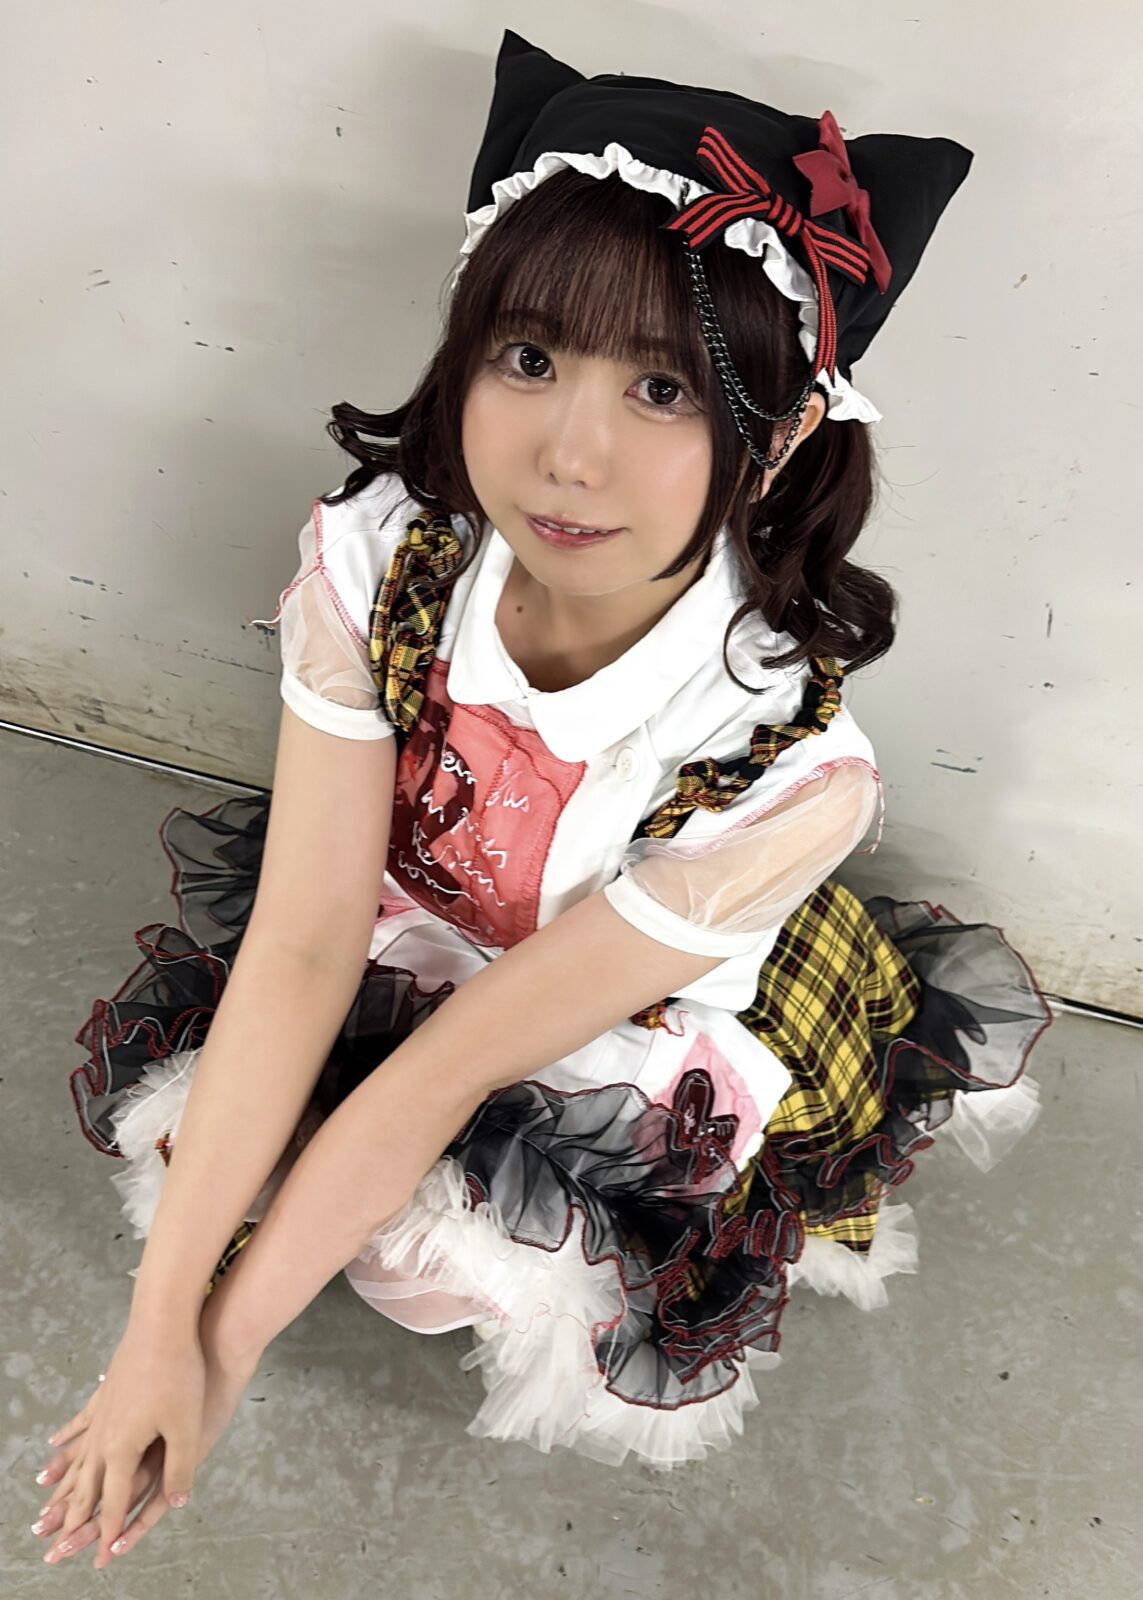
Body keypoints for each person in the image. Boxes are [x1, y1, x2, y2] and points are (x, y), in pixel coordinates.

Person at [35, 27, 1054, 1569]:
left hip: (590, 1008)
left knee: (416, 1268)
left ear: (781, 434)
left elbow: (453, 1067)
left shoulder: (784, 777)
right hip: (416, 924)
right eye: (528, 359)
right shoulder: (393, 554)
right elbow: (303, 943)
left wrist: (217, 1358)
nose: (570, 454)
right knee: (207, 1165)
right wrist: (152, 1332)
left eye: (662, 387)